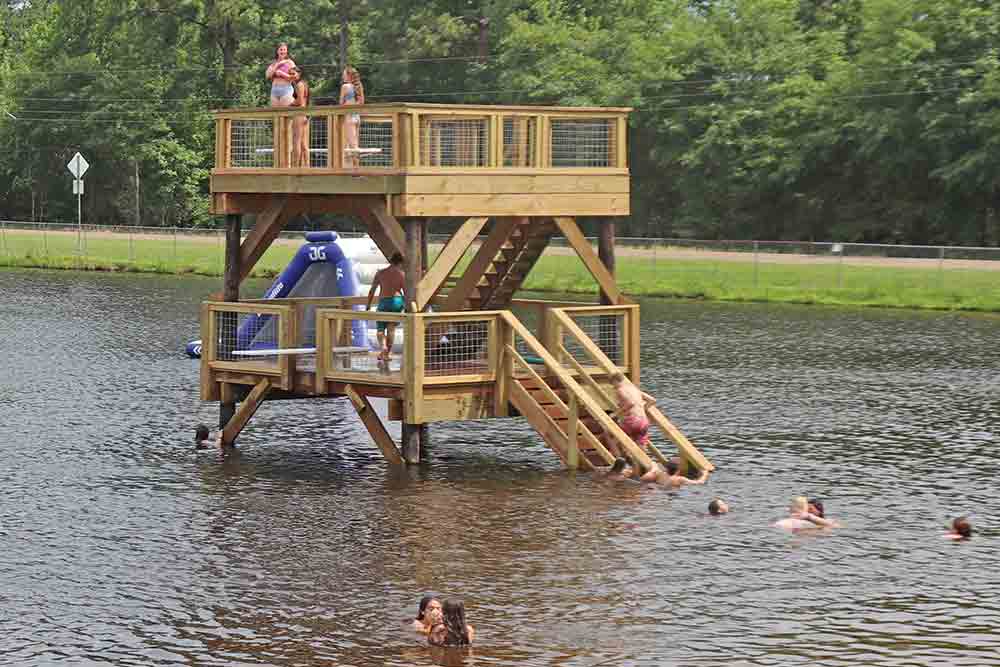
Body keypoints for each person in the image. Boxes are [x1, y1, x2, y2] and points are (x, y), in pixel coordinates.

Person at [366, 252, 406, 366]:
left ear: (390, 260)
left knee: (380, 328)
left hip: (384, 301)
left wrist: (368, 304)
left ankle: (383, 347)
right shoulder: (401, 274)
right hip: (397, 301)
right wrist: (406, 305)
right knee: (391, 329)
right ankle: (387, 354)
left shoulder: (380, 273)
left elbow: (372, 290)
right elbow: (406, 292)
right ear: (400, 263)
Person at [604, 372, 656, 459]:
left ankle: (619, 460)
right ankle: (643, 465)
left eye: (612, 383)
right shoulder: (634, 389)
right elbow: (652, 400)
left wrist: (615, 414)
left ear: (616, 381)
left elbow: (630, 403)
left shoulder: (620, 390)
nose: (613, 386)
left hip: (632, 421)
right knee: (640, 443)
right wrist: (643, 409)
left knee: (608, 434)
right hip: (644, 421)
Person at [339, 65, 365, 167]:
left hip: (349, 116)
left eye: (344, 74)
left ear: (349, 76)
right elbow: (362, 102)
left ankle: (356, 169)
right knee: (354, 143)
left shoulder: (345, 87)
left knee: (352, 145)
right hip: (357, 117)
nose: (343, 76)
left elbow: (341, 103)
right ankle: (352, 167)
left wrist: (346, 104)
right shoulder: (359, 85)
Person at [289, 66, 310, 167]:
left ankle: (295, 166)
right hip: (304, 115)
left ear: (299, 73)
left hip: (299, 114)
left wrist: (290, 104)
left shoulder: (300, 85)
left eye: (293, 74)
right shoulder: (303, 84)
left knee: (296, 142)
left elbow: (300, 101)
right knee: (303, 144)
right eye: (290, 74)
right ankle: (306, 166)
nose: (291, 76)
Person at [642, 458, 710, 487]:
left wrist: (654, 464)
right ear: (678, 471)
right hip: (671, 493)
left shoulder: (659, 474)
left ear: (666, 469)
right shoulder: (679, 479)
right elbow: (700, 482)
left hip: (659, 490)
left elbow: (653, 465)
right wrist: (705, 473)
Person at [266, 42, 296, 107]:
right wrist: (277, 65)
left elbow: (295, 78)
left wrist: (282, 74)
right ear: (277, 51)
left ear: (287, 51)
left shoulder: (290, 62)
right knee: (276, 115)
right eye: (281, 50)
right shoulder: (273, 63)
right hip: (274, 91)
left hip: (286, 90)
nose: (282, 51)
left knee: (286, 114)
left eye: (284, 50)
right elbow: (268, 76)